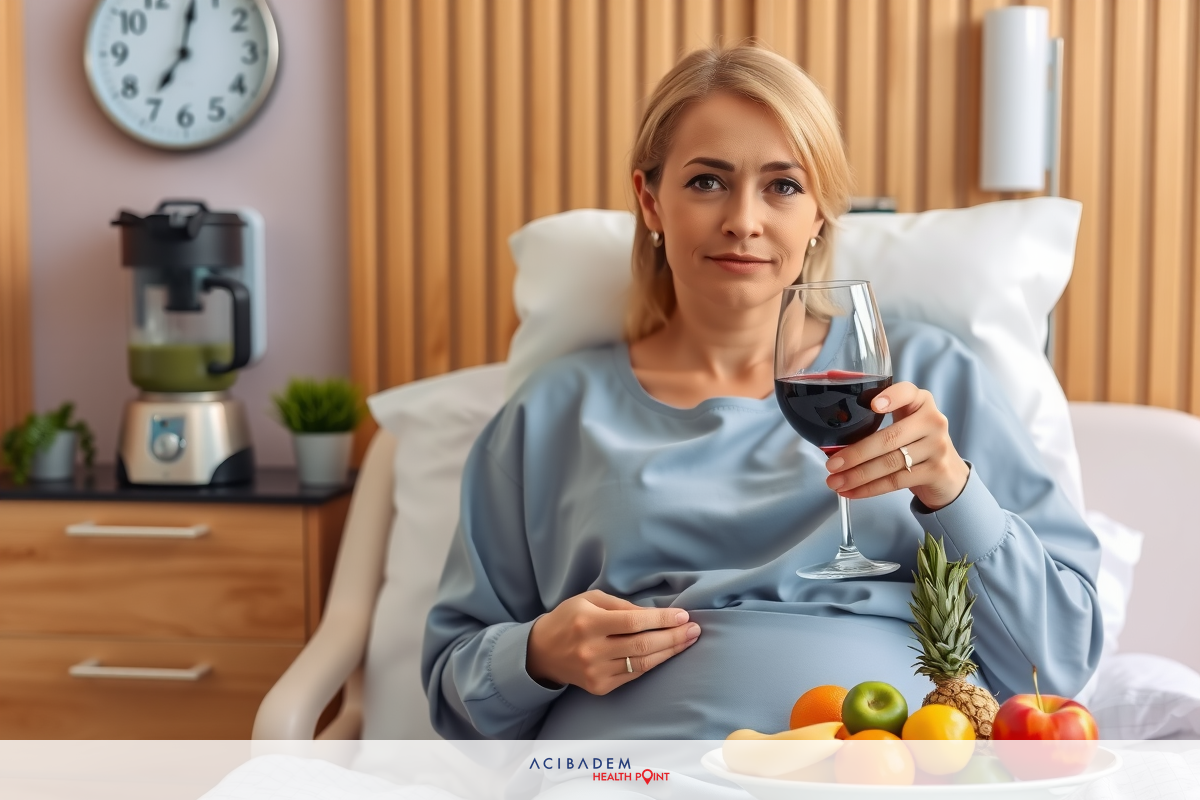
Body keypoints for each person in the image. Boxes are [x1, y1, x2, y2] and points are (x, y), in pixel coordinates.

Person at [422, 44, 1101, 740]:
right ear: (650, 200)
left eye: (783, 186)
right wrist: (536, 655)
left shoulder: (929, 380)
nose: (743, 219)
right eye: (708, 182)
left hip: (880, 772)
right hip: (632, 776)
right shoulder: (552, 412)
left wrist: (953, 491)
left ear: (821, 215)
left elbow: (1057, 664)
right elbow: (454, 691)